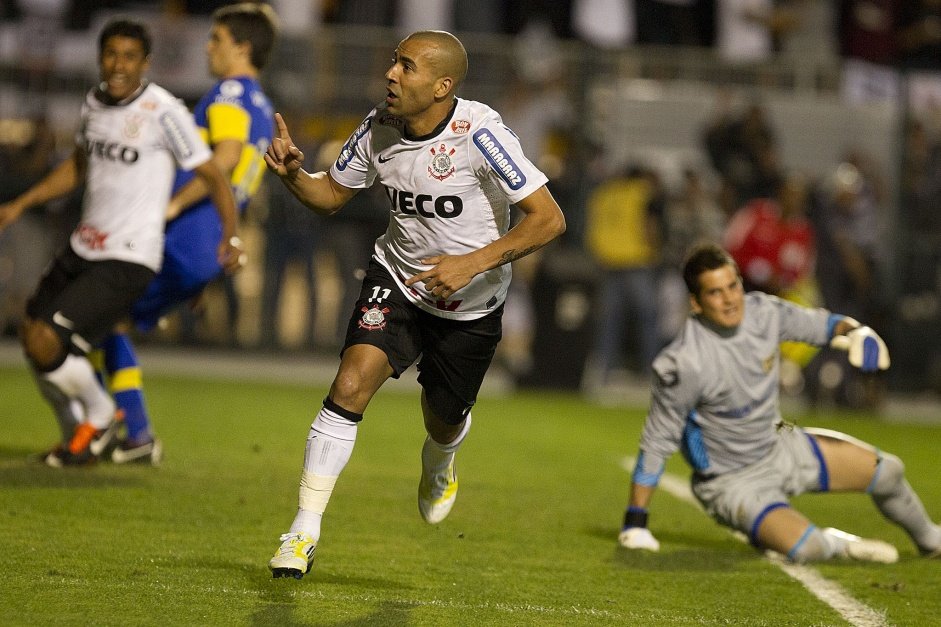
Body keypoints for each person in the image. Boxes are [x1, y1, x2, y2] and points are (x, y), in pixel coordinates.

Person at [263, 30, 566, 579]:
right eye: (394, 62)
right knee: (350, 385)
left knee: (443, 420)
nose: (392, 74)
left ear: (442, 85)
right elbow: (331, 195)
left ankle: (440, 461)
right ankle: (302, 532)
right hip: (398, 281)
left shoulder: (482, 134)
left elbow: (549, 219)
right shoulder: (379, 126)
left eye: (407, 67)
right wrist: (292, 177)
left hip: (471, 304)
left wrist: (472, 263)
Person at [0, 19, 240, 466]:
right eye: (111, 54)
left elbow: (213, 174)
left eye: (129, 56)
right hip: (84, 245)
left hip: (130, 254)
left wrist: (230, 235)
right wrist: (22, 203)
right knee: (32, 337)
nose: (118, 65)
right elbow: (77, 167)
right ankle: (79, 437)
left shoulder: (164, 111)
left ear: (145, 63)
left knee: (52, 337)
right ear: (99, 57)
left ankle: (103, 414)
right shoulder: (92, 104)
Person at [618, 244, 941, 563]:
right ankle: (837, 544)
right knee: (808, 548)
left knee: (887, 471)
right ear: (696, 304)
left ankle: (931, 539)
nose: (730, 299)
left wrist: (859, 333)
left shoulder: (764, 312)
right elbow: (657, 441)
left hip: (780, 443)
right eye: (716, 293)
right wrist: (636, 521)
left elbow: (824, 325)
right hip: (732, 481)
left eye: (733, 286)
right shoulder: (682, 363)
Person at [96, 3, 277, 464]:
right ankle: (121, 428)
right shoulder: (260, 102)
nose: (207, 46)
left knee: (95, 318)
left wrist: (171, 205)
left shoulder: (231, 90)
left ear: (242, 47)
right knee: (107, 321)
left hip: (187, 236)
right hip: (206, 244)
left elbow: (228, 157)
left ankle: (115, 428)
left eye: (216, 39)